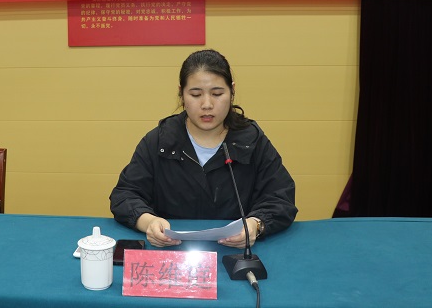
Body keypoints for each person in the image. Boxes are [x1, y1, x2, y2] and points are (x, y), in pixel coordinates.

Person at [110, 49, 297, 248]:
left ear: (232, 91)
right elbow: (125, 195)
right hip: (172, 249)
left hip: (234, 249)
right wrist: (149, 222)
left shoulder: (252, 140)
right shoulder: (159, 141)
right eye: (195, 94)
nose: (207, 104)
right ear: (181, 93)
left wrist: (255, 225)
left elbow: (281, 198)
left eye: (217, 94)